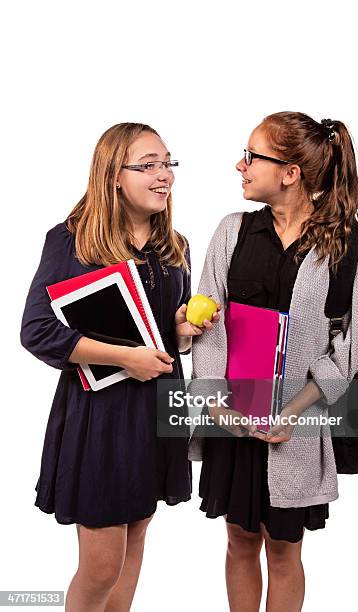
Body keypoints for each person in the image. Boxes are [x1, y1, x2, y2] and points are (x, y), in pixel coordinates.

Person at [20, 122, 220, 612]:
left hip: (156, 408)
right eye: (147, 165)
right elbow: (37, 330)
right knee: (103, 565)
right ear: (113, 175)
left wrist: (182, 331)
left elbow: (158, 329)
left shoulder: (175, 245)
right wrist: (125, 358)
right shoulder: (72, 240)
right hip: (101, 414)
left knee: (133, 550)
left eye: (168, 163)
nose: (163, 175)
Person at [189, 112, 358, 612]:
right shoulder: (233, 232)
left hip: (297, 425)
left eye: (253, 157)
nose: (241, 165)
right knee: (239, 542)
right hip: (234, 418)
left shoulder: (345, 243)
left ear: (290, 172)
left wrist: (296, 410)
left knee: (283, 550)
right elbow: (207, 322)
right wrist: (214, 403)